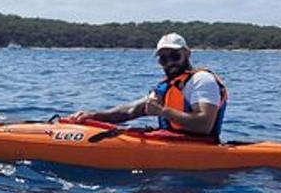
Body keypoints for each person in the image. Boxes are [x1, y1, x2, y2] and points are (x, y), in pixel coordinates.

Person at [66, 33, 228, 138]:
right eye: (163, 59)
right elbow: (129, 111)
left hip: (199, 148)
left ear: (187, 53)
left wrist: (163, 112)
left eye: (174, 56)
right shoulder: (165, 87)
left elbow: (204, 126)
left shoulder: (202, 80)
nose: (170, 62)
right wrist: (93, 115)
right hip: (170, 143)